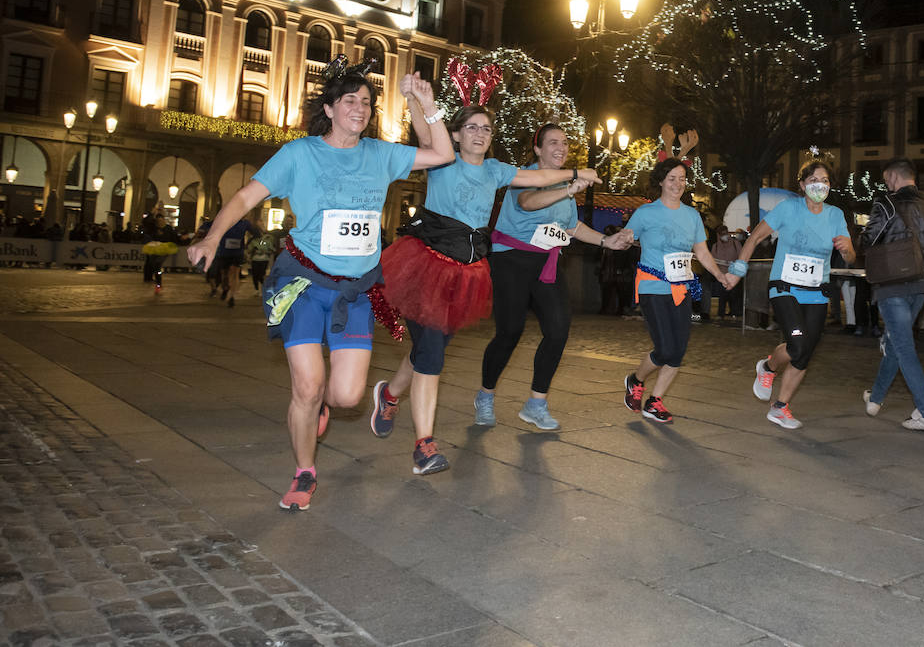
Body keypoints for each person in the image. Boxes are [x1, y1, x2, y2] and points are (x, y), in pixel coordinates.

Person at [188, 59, 455, 512]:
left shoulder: (381, 154)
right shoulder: (299, 153)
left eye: (367, 102)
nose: (361, 108)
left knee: (348, 395)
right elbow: (246, 196)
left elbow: (443, 154)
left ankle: (320, 410)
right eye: (350, 100)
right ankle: (305, 472)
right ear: (329, 108)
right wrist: (212, 237)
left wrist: (427, 106)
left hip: (355, 290)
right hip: (303, 283)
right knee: (308, 386)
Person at [370, 110, 603, 474]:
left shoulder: (495, 170)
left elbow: (538, 176)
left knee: (428, 348)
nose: (480, 133)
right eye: (471, 127)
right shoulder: (444, 160)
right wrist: (420, 103)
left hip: (464, 273)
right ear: (457, 135)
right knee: (431, 354)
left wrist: (574, 175)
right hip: (425, 264)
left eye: (486, 128)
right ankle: (424, 445)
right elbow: (426, 134)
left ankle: (389, 394)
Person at [478, 123, 632, 431]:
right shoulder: (524, 175)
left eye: (564, 143)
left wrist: (606, 241)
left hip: (547, 261)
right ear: (537, 149)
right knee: (510, 332)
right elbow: (528, 203)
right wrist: (570, 186)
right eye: (552, 143)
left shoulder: (566, 189)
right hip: (512, 259)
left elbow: (571, 227)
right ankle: (485, 395)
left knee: (559, 329)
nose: (561, 148)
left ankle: (536, 403)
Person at [725, 160, 855, 429]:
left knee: (804, 353)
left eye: (825, 180)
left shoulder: (835, 215)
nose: (820, 185)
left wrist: (846, 249)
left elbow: (851, 255)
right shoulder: (788, 208)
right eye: (814, 180)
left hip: (817, 292)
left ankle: (780, 407)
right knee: (796, 345)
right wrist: (739, 267)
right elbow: (754, 237)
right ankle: (768, 368)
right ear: (802, 184)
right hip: (784, 287)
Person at [621, 158, 730, 424]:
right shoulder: (646, 212)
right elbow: (626, 236)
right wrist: (620, 239)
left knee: (678, 350)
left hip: (681, 288)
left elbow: (701, 251)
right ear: (660, 181)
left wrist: (719, 275)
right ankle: (636, 379)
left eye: (682, 178)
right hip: (652, 286)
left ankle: (655, 402)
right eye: (672, 178)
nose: (678, 184)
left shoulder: (691, 215)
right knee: (666, 348)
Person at [855, 159, 924, 431]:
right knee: (896, 342)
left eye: (886, 179)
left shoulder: (886, 203)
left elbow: (870, 239)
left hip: (893, 282)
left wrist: (859, 238)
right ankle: (876, 398)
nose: (886, 184)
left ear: (893, 177)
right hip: (922, 282)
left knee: (903, 346)